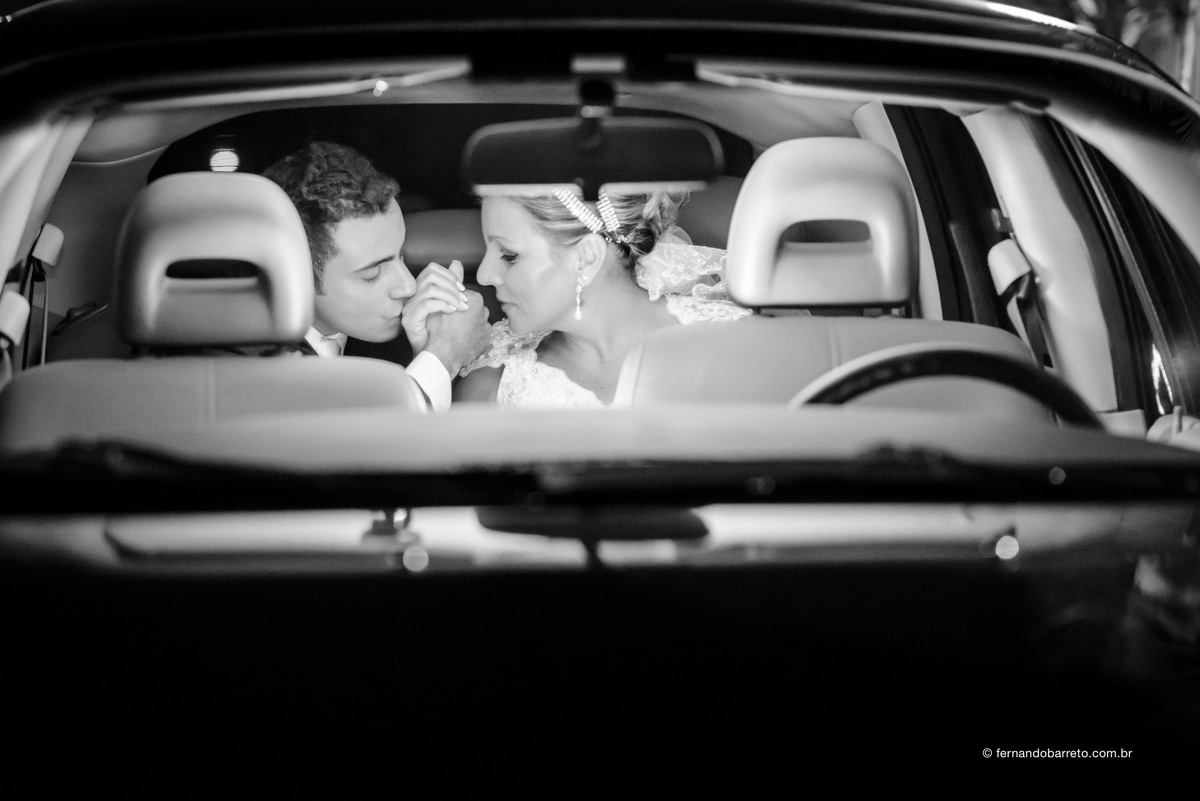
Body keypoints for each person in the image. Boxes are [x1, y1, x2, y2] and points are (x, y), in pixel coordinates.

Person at [454, 187, 750, 408]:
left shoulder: (738, 342)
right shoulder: (493, 387)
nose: (484, 275)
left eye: (509, 255)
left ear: (586, 258)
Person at [261, 141, 491, 412]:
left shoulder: (396, 338)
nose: (407, 286)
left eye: (400, 255)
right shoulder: (237, 364)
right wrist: (442, 358)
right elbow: (352, 447)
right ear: (294, 275)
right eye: (372, 274)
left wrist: (425, 352)